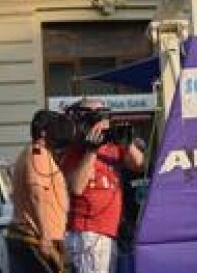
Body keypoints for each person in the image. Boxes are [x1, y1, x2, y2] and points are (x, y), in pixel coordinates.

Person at [60, 99, 145, 273]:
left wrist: (127, 143)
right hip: (88, 233)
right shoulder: (76, 150)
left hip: (107, 231)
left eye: (105, 115)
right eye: (98, 116)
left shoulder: (112, 146)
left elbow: (139, 165)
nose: (104, 121)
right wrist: (92, 151)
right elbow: (76, 187)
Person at [9, 110, 68, 273]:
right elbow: (37, 195)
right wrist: (45, 235)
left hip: (30, 236)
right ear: (44, 133)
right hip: (35, 238)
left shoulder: (29, 152)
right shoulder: (38, 154)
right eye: (55, 129)